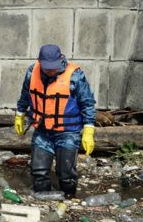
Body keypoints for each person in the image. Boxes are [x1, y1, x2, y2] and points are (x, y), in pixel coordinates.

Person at [14, 44, 96, 198]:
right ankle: (43, 198)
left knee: (66, 172)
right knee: (38, 171)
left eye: (54, 67)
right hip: (42, 130)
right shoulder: (32, 72)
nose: (51, 71)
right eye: (47, 68)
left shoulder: (75, 76)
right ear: (39, 61)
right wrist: (20, 113)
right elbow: (25, 95)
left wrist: (89, 129)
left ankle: (69, 199)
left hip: (68, 132)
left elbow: (87, 103)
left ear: (61, 59)